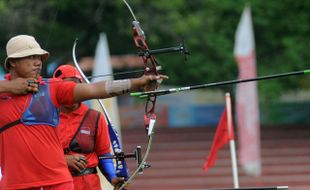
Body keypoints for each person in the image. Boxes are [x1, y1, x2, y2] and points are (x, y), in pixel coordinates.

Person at [0, 34, 167, 189]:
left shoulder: (51, 88)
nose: (38, 62)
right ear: (13, 62)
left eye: (39, 58)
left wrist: (137, 83)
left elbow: (96, 89)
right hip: (16, 183)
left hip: (58, 182)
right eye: (31, 57)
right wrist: (8, 86)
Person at [53, 65, 124, 190]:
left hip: (90, 184)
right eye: (66, 88)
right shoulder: (45, 118)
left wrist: (113, 178)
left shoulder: (94, 117)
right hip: (58, 183)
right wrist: (63, 160)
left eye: (75, 87)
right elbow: (37, 156)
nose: (71, 92)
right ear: (56, 89)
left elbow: (103, 154)